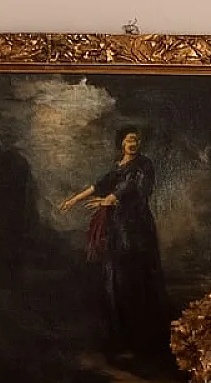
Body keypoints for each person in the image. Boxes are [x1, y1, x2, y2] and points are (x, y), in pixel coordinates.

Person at [60, 128, 172, 365]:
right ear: (121, 142)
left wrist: (110, 199)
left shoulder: (144, 165)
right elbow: (98, 185)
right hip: (117, 227)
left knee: (134, 277)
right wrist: (73, 200)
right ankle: (118, 338)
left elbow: (134, 188)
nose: (133, 143)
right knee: (114, 277)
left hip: (136, 228)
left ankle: (142, 340)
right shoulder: (117, 166)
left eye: (136, 140)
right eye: (129, 139)